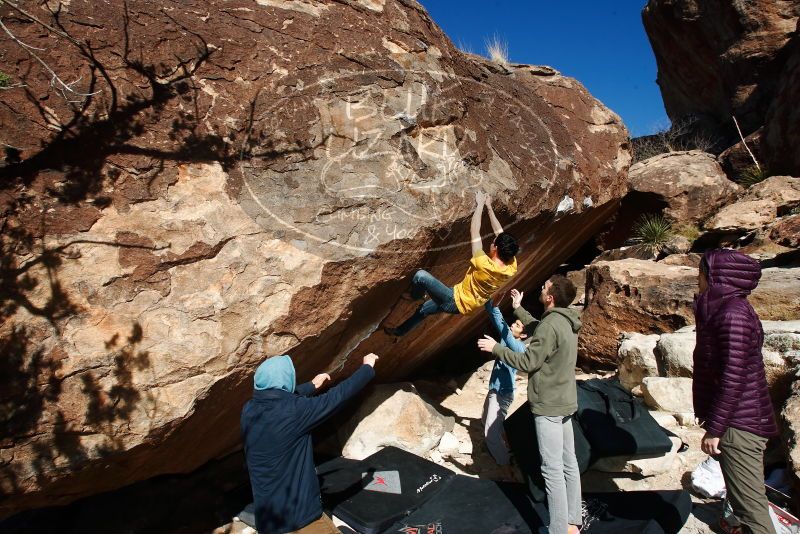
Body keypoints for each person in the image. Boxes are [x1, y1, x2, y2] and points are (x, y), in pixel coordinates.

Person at [477, 275, 582, 534]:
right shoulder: (565, 321)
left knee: (552, 469)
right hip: (566, 400)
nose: (541, 286)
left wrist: (495, 349)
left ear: (550, 297)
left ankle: (558, 529)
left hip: (548, 405)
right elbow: (538, 326)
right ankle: (573, 521)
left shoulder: (550, 326)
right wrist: (518, 309)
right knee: (569, 462)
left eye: (544, 286)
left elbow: (528, 363)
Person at [241, 353, 378, 534]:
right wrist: (367, 368)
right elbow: (338, 396)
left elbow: (279, 397)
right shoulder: (296, 412)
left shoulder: (249, 410)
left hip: (268, 521)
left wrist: (312, 385)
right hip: (301, 521)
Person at [693, 249, 778, 534]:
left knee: (751, 510)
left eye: (703, 271)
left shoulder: (733, 314)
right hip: (740, 419)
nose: (698, 277)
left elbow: (733, 377)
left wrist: (715, 429)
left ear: (717, 277)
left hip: (740, 425)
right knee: (741, 506)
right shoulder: (725, 310)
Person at [384, 191, 518, 337]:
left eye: (493, 243)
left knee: (420, 275)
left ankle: (416, 295)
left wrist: (480, 205)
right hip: (466, 303)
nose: (492, 242)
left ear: (496, 248)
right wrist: (489, 207)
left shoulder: (483, 264)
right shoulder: (511, 265)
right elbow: (500, 234)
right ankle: (400, 331)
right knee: (424, 310)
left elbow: (475, 230)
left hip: (454, 301)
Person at [481, 288, 534, 466]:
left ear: (524, 335)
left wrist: (492, 306)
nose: (513, 325)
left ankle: (506, 463)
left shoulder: (519, 348)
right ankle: (508, 443)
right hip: (494, 390)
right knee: (486, 421)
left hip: (503, 393)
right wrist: (489, 302)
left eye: (518, 326)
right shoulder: (508, 341)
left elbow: (501, 326)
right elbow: (501, 325)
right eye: (515, 323)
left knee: (490, 431)